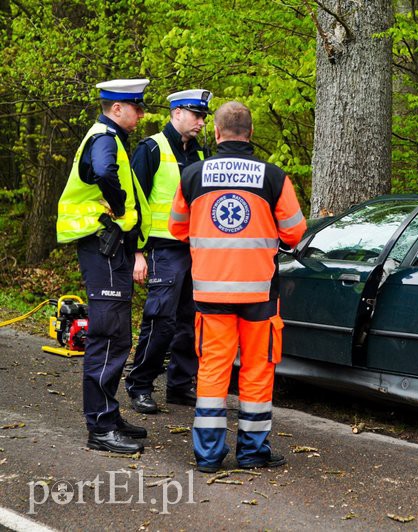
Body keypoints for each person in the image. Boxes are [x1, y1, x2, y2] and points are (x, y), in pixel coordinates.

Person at [169, 101, 306, 473]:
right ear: (250, 134)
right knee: (257, 370)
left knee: (213, 370)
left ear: (215, 133)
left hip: (210, 293)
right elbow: (294, 233)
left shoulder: (193, 175)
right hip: (259, 294)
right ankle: (252, 451)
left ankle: (209, 456)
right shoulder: (273, 177)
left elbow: (176, 229)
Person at [55, 79, 152, 454]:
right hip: (102, 246)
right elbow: (102, 171)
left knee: (117, 335)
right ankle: (100, 427)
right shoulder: (104, 139)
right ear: (117, 109)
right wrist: (120, 207)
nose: (141, 114)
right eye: (136, 107)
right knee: (108, 337)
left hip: (110, 248)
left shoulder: (111, 139)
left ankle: (108, 415)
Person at [126, 89, 212, 414]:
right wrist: (136, 252)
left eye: (204, 117)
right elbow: (132, 203)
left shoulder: (201, 156)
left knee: (190, 322)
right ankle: (140, 385)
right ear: (176, 114)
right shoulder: (151, 149)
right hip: (162, 250)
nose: (201, 122)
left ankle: (179, 386)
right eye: (196, 115)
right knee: (160, 320)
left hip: (196, 252)